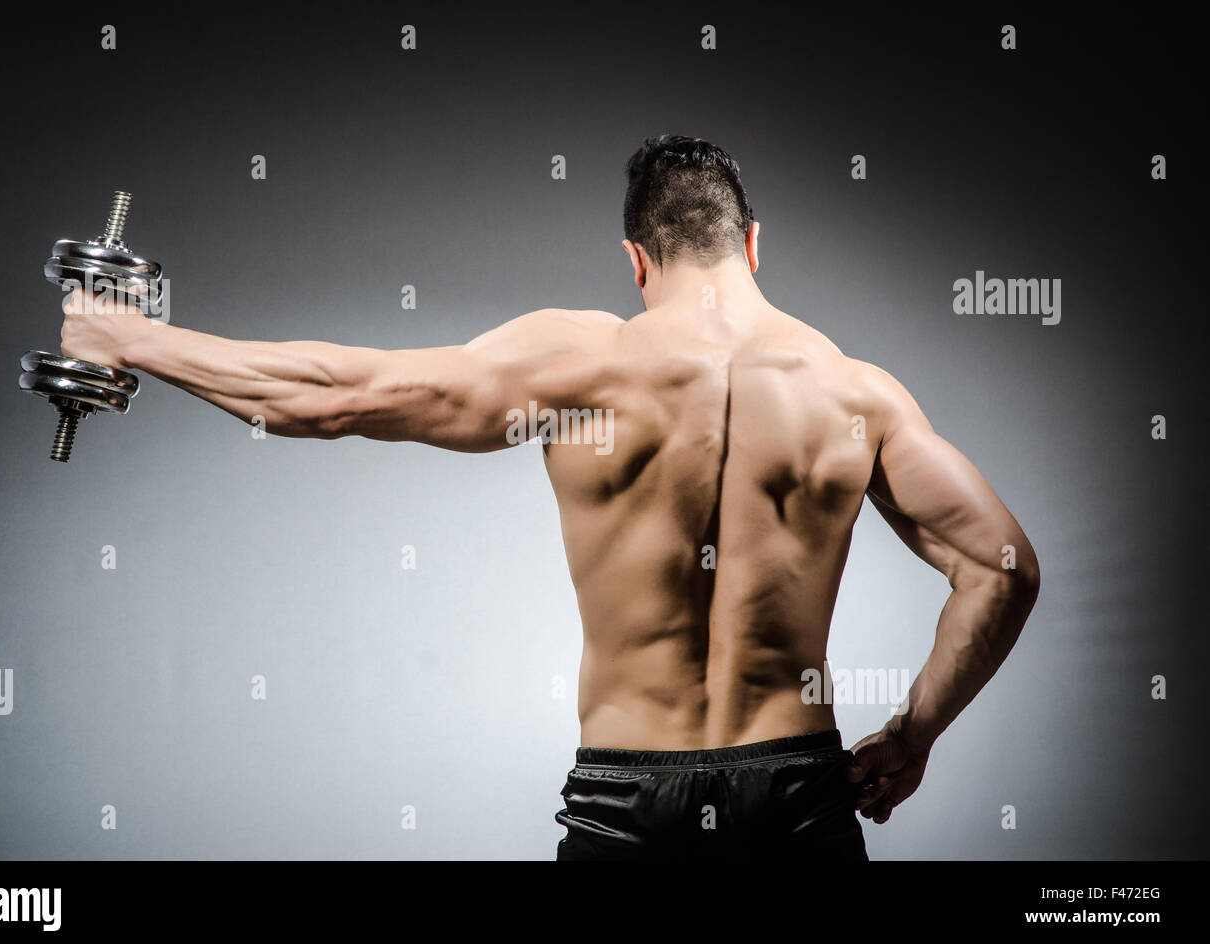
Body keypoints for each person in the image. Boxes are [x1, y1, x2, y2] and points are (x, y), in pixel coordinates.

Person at [57, 134, 1041, 860]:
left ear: (635, 258)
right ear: (752, 244)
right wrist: (913, 736)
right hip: (798, 793)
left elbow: (343, 396)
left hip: (627, 800)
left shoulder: (585, 363)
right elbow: (1001, 572)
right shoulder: (855, 392)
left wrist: (132, 340)